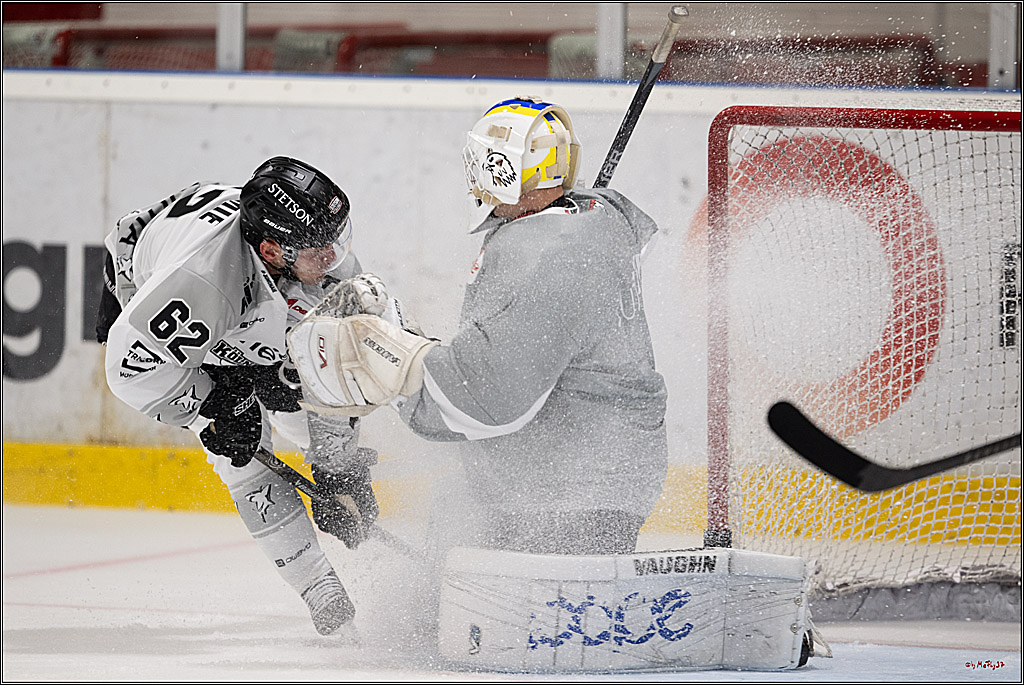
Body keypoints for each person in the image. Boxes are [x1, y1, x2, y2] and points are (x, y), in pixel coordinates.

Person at [288, 97, 668, 556]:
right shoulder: (590, 218)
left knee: (519, 623)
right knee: (448, 543)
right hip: (579, 477)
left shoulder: (549, 258)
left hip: (568, 494)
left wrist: (394, 351)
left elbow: (487, 399)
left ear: (499, 169)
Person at [97, 157, 388, 635]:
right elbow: (129, 371)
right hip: (152, 286)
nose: (335, 257)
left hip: (242, 294)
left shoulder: (312, 257)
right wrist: (213, 402)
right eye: (320, 248)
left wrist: (338, 468)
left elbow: (331, 369)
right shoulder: (201, 283)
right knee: (243, 450)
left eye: (338, 239)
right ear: (273, 249)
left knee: (296, 397)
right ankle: (319, 587)